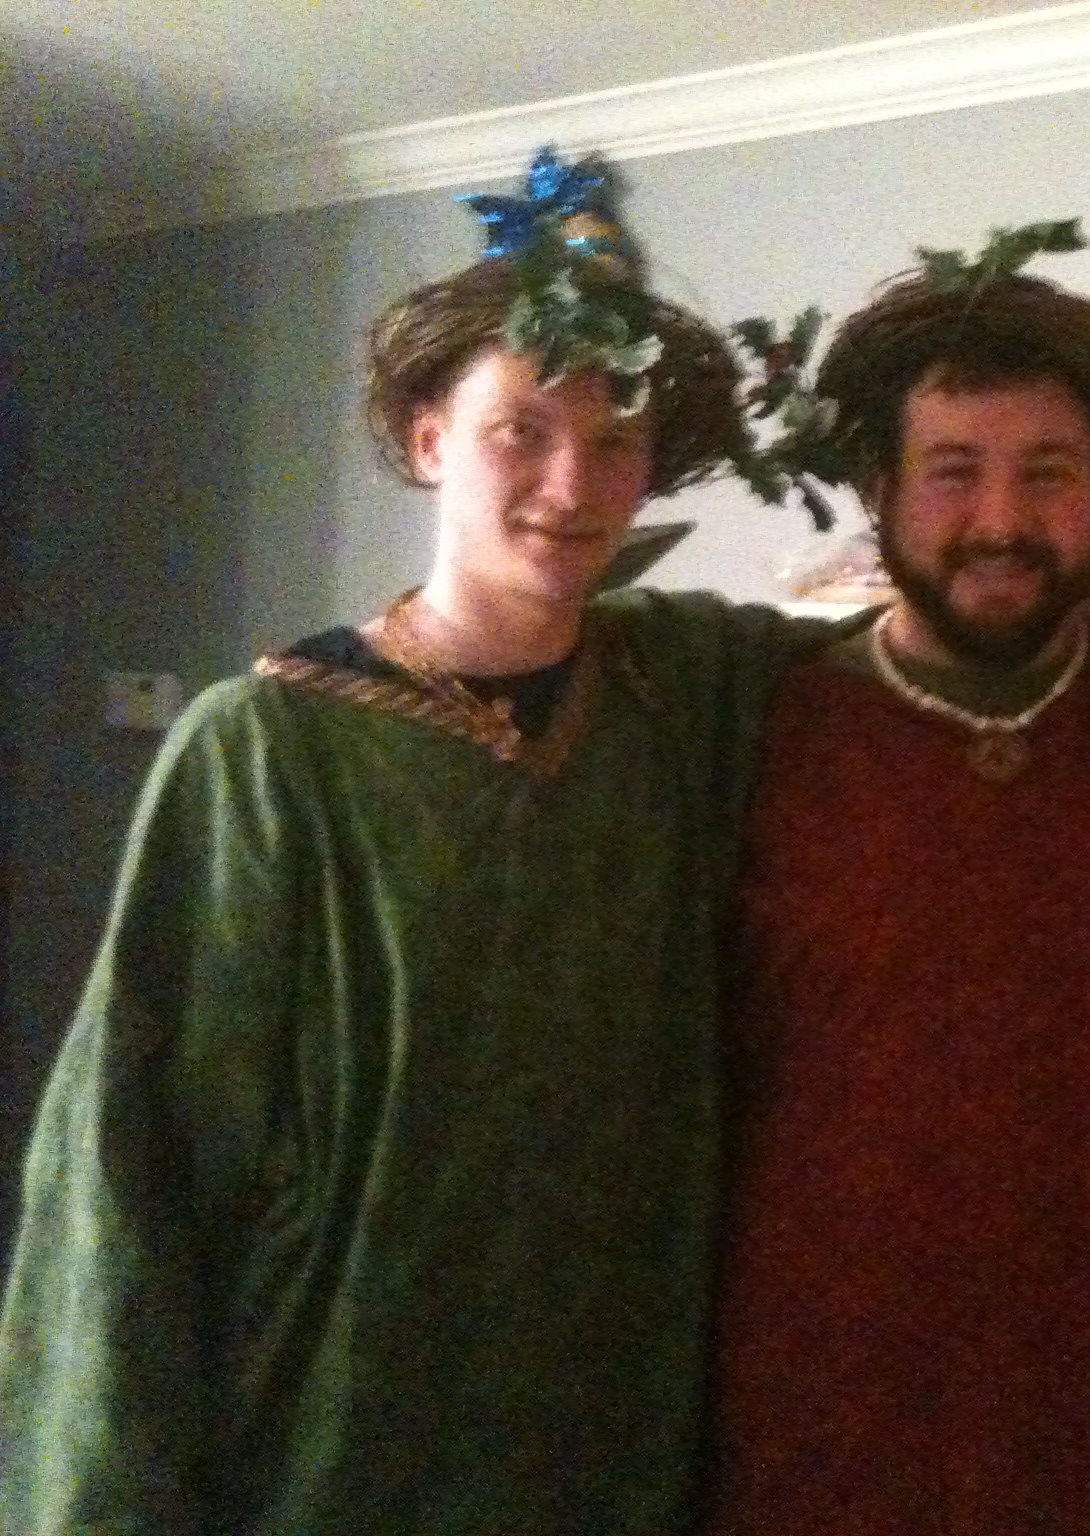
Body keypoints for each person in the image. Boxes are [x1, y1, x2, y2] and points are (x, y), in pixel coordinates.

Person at [0, 148, 821, 1532]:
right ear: (431, 438)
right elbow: (130, 1176)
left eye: (613, 441)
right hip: (321, 1447)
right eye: (521, 430)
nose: (572, 480)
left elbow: (906, 661)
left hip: (604, 1453)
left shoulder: (682, 698)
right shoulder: (266, 752)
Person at [705, 241, 1090, 1532]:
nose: (1002, 522)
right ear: (879, 489)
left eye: (1050, 474)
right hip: (821, 1454)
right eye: (953, 471)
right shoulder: (752, 739)